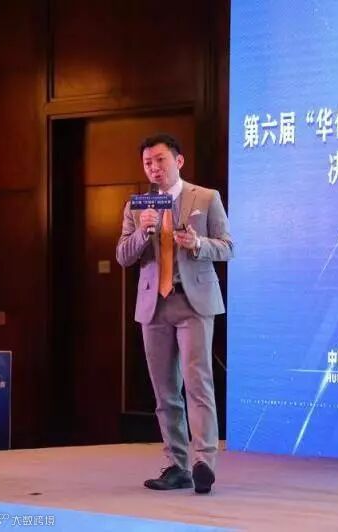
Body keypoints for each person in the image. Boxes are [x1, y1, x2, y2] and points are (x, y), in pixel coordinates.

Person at [116, 133, 233, 494]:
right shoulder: (137, 206)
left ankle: (203, 462)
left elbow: (228, 247)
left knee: (198, 384)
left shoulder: (206, 197)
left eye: (160, 160)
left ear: (178, 161)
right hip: (154, 305)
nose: (154, 167)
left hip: (193, 302)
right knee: (165, 391)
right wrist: (142, 232)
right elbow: (123, 256)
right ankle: (176, 464)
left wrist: (198, 243)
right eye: (147, 162)